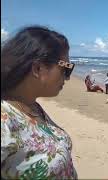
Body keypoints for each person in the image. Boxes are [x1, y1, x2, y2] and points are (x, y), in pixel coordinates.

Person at [1, 26, 77, 179]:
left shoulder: (31, 107)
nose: (67, 78)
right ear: (38, 68)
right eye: (66, 69)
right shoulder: (4, 122)